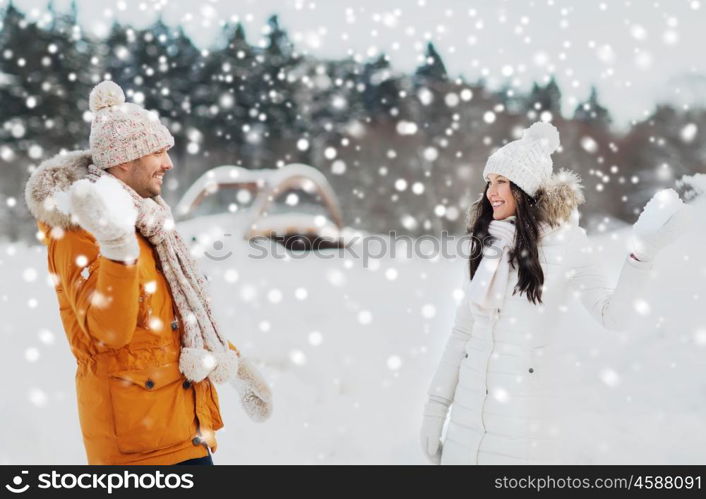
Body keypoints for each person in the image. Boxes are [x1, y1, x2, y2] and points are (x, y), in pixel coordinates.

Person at [24, 80, 272, 465]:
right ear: (124, 160)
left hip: (183, 430)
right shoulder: (80, 230)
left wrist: (233, 362)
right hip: (138, 448)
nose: (168, 163)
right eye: (158, 152)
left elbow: (175, 317)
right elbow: (110, 332)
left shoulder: (148, 221)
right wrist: (117, 251)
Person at [420, 121, 693, 465]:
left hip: (518, 437)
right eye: (489, 181)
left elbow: (614, 316)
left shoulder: (567, 246)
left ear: (525, 188)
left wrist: (641, 256)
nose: (491, 191)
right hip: (464, 431)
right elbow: (462, 334)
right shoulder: (490, 245)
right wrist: (435, 409)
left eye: (502, 181)